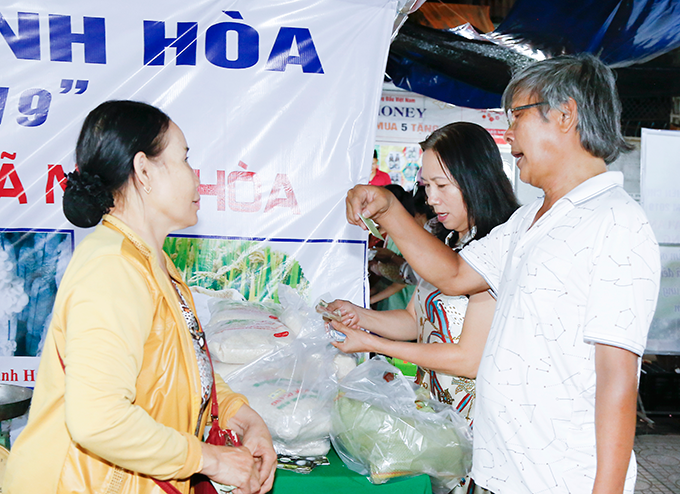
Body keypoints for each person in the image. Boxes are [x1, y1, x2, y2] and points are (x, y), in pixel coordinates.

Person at [340, 54, 660, 494]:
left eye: (517, 116)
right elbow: (452, 274)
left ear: (565, 115)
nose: (507, 132)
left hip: (557, 482)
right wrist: (390, 209)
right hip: (496, 473)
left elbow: (617, 378)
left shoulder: (616, 223)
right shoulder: (528, 220)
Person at [3, 101, 277, 494]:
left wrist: (242, 416)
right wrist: (211, 459)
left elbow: (176, 369)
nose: (195, 176)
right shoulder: (112, 268)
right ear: (145, 171)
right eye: (184, 159)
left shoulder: (153, 262)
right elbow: (98, 419)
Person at [330, 123, 518, 429]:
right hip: (435, 410)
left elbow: (468, 359)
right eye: (426, 185)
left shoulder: (497, 247)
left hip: (476, 422)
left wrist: (371, 344)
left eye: (442, 186)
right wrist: (358, 317)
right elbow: (413, 320)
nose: (431, 199)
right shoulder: (446, 242)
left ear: (477, 180)